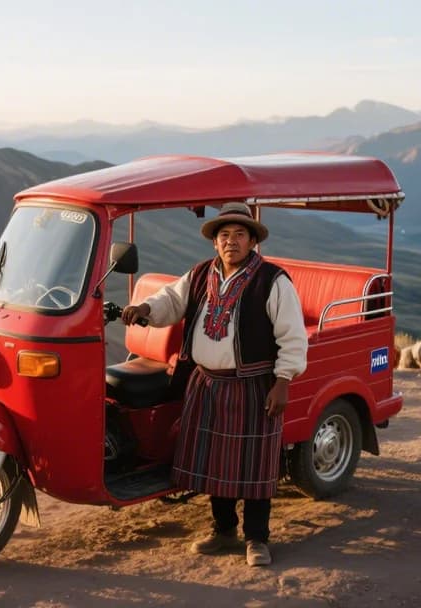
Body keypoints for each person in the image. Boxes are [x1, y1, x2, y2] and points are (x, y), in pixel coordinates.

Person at [121, 201, 308, 567]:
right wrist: (145, 310)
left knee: (254, 466)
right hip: (207, 384)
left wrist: (283, 381)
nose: (231, 241)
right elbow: (171, 300)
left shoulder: (273, 280)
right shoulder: (201, 274)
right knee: (216, 465)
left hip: (254, 386)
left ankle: (257, 539)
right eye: (225, 235)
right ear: (214, 242)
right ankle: (223, 530)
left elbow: (293, 336)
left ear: (253, 241)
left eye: (240, 235)